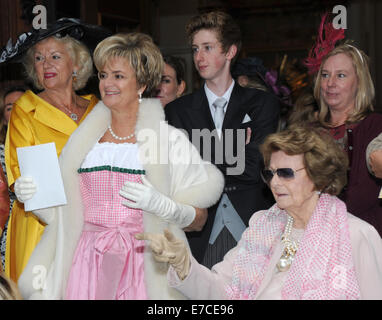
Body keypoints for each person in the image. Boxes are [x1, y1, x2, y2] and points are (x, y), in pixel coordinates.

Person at [17, 32, 224, 300]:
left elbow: (199, 220)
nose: (107, 84)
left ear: (142, 84)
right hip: (85, 266)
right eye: (103, 75)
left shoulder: (168, 141)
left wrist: (166, 207)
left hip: (144, 267)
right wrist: (37, 197)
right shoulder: (81, 144)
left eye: (118, 76)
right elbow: (65, 218)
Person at [139, 126, 382, 300]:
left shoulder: (355, 234)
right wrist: (184, 264)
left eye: (285, 173)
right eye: (270, 174)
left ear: (318, 175)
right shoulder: (263, 226)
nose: (274, 183)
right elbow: (222, 291)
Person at [165, 11, 280, 268]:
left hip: (252, 223)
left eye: (207, 47)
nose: (198, 57)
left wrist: (203, 155)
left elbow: (254, 169)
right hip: (197, 233)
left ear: (230, 52)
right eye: (195, 49)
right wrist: (235, 147)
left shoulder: (262, 104)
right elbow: (179, 176)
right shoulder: (176, 111)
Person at [0, 18, 111, 282]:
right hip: (42, 226)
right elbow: (20, 175)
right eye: (38, 58)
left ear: (76, 64)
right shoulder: (25, 109)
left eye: (55, 56)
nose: (46, 64)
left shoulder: (98, 108)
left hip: (97, 224)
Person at [308, 40, 382, 236]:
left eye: (341, 75)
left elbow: (366, 194)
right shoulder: (309, 132)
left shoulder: (374, 126)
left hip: (362, 237)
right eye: (325, 75)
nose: (330, 83)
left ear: (359, 82)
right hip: (314, 234)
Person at [0, 86, 28, 271]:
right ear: (3, 117)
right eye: (10, 107)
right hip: (6, 232)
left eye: (22, 105)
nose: (17, 110)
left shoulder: (50, 145)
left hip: (42, 228)